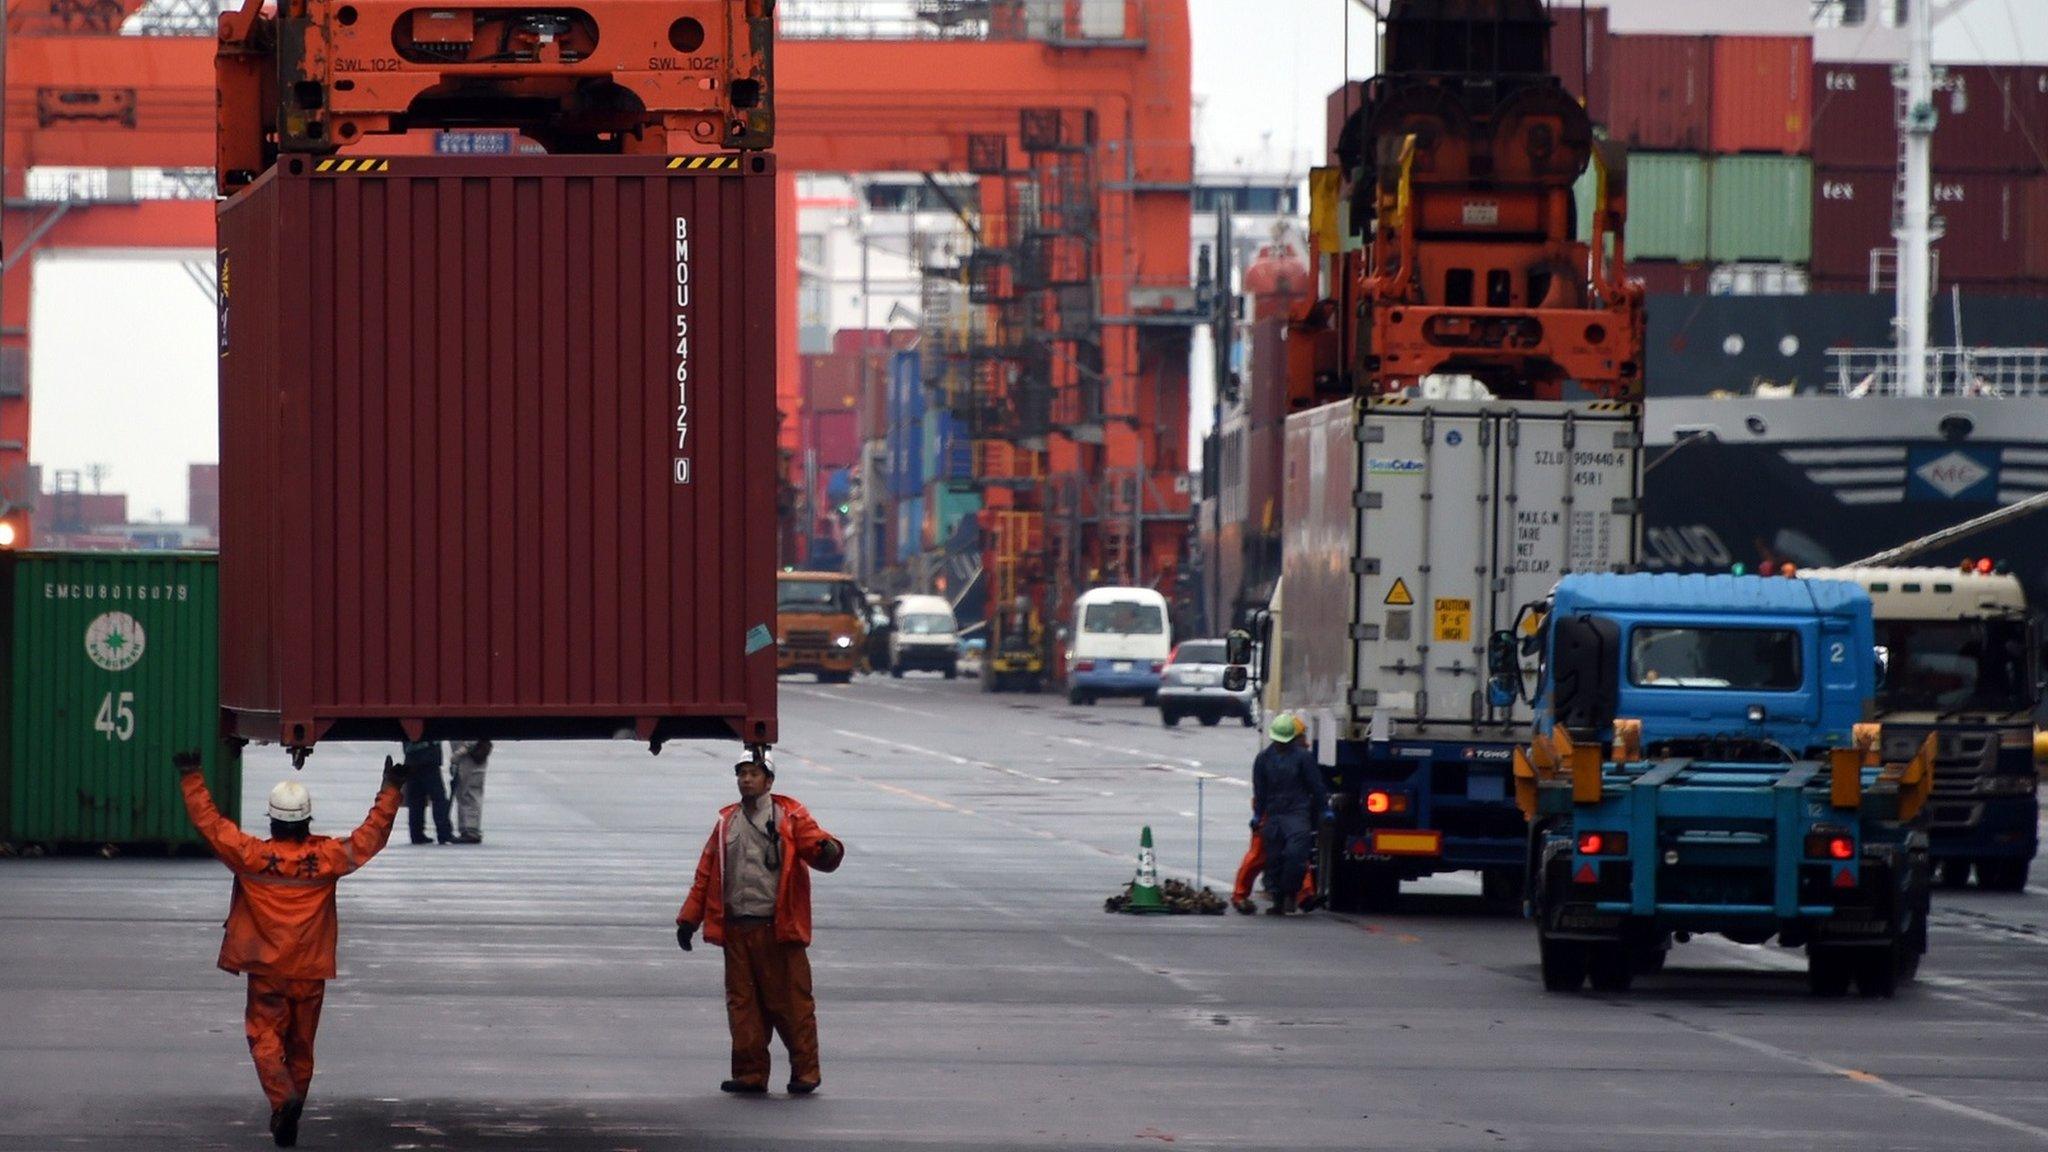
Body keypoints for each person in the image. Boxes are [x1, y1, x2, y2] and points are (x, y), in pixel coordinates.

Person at [177, 751, 405, 1147]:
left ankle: (284, 1100)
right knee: (301, 1046)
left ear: (273, 820)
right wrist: (390, 791)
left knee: (264, 1036)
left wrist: (191, 775)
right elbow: (370, 838)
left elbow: (210, 825)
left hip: (266, 970)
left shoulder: (251, 857)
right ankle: (292, 1104)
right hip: (310, 972)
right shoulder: (327, 859)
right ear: (307, 820)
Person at [676, 754, 846, 1096]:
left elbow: (821, 850)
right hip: (737, 931)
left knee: (792, 1004)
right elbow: (706, 873)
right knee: (743, 1005)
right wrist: (688, 919)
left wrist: (829, 850)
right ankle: (750, 1073)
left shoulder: (791, 817)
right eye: (742, 774)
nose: (746, 780)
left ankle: (806, 1072)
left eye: (754, 774)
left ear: (769, 781)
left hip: (778, 931)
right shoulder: (726, 822)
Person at [1232, 714, 1319, 914]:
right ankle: (1240, 895)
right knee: (1259, 855)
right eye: (1301, 738)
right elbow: (1261, 788)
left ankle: (1303, 895)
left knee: (1295, 854)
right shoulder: (1268, 758)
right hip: (1268, 811)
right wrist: (1258, 815)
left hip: (1286, 812)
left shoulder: (1298, 756)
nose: (1304, 743)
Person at [401, 738, 453, 845]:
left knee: (416, 799)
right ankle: (444, 833)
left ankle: (416, 834)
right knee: (438, 798)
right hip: (428, 757)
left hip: (411, 758)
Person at [448, 740, 491, 844]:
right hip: (464, 760)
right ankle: (466, 828)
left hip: (470, 759)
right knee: (463, 795)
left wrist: (459, 753)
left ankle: (471, 830)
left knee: (471, 795)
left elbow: (473, 740)